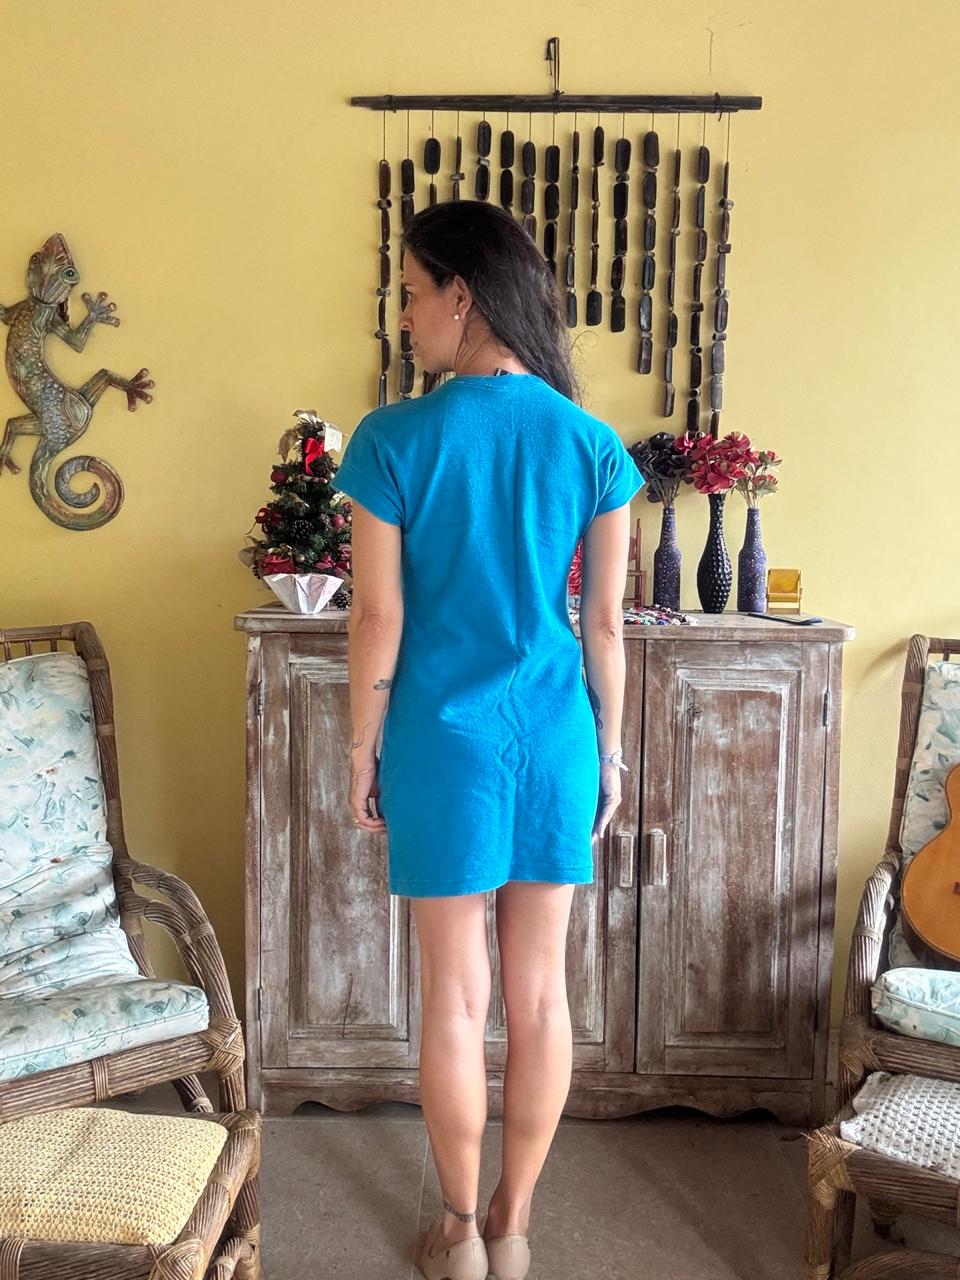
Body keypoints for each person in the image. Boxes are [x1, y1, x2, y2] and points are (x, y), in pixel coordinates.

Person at [335, 199, 644, 1280]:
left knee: (456, 999)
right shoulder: (592, 443)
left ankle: (459, 1232)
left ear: (462, 295)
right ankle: (514, 1224)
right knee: (541, 995)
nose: (405, 312)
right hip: (556, 736)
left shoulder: (392, 438)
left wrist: (361, 748)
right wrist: (613, 754)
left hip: (441, 741)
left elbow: (378, 618)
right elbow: (604, 625)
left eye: (413, 291)